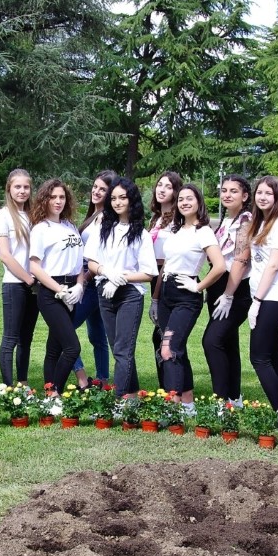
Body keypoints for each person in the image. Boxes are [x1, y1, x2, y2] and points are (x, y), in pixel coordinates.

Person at [85, 177, 157, 396]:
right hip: (104, 291)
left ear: (131, 200)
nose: (117, 202)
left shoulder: (141, 234)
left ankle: (119, 401)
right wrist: (108, 272)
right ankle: (132, 397)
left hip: (129, 295)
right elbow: (91, 262)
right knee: (118, 348)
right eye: (114, 198)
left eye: (122, 198)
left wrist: (121, 278)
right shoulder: (102, 229)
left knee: (123, 351)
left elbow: (149, 273)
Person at [157, 184, 226, 412]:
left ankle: (173, 406)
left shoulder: (203, 231)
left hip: (186, 296)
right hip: (166, 292)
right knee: (176, 348)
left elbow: (219, 266)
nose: (184, 203)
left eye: (190, 199)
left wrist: (197, 286)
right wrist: (156, 298)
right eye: (181, 199)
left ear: (198, 202)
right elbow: (167, 264)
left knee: (169, 349)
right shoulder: (176, 230)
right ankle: (187, 402)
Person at [237, 176, 278, 412]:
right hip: (261, 295)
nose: (262, 197)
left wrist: (257, 301)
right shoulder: (259, 222)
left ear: (277, 197)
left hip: (273, 297)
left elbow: (274, 265)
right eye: (259, 192)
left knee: (259, 358)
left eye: (268, 193)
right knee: (275, 356)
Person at [28, 179, 86, 392]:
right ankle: (55, 392)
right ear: (45, 200)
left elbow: (79, 263)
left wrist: (79, 285)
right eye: (53, 197)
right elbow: (35, 267)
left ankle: (49, 393)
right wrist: (59, 289)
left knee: (54, 348)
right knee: (72, 348)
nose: (58, 201)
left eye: (62, 197)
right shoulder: (40, 229)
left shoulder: (70, 226)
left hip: (72, 290)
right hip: (52, 294)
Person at [203, 175, 253, 403]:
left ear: (245, 196)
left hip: (235, 289)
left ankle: (221, 399)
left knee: (212, 341)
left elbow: (241, 260)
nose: (227, 195)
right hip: (218, 287)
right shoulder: (226, 220)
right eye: (224, 190)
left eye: (234, 191)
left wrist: (228, 295)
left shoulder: (246, 220)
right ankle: (234, 396)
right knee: (228, 342)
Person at [0, 169, 37, 385]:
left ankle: (23, 384)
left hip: (34, 285)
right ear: (9, 189)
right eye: (17, 187)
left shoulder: (34, 215)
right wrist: (28, 279)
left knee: (26, 339)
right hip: (15, 284)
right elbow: (5, 255)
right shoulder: (3, 216)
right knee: (10, 338)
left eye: (26, 187)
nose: (22, 191)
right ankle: (9, 388)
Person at [71, 172, 113, 386]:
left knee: (64, 330)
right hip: (90, 279)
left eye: (102, 189)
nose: (96, 191)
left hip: (92, 280)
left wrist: (85, 279)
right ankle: (103, 380)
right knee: (97, 336)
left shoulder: (105, 218)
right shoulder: (94, 215)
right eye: (95, 187)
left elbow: (102, 255)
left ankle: (82, 378)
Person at [147, 171, 183, 387]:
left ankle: (172, 388)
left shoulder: (177, 220)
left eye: (168, 187)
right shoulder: (157, 218)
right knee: (159, 336)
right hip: (155, 277)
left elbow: (168, 260)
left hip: (167, 278)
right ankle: (167, 387)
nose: (162, 189)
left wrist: (155, 297)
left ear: (176, 191)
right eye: (160, 185)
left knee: (166, 337)